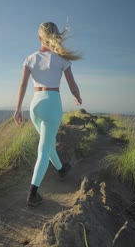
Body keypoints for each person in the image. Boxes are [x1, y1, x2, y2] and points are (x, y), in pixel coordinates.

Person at [14, 22, 82, 207]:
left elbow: (22, 85)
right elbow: (72, 85)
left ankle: (61, 170)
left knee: (47, 142)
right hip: (52, 103)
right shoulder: (61, 59)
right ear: (56, 36)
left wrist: (18, 109)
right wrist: (78, 97)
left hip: (35, 104)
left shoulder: (30, 59)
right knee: (43, 149)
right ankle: (32, 194)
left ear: (39, 38)